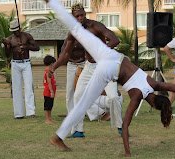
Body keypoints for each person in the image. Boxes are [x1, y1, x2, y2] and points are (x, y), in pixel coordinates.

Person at [44, 0, 175, 157]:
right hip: (108, 67)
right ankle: (58, 137)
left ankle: (51, 2)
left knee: (75, 29)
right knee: (83, 101)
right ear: (154, 106)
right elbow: (126, 126)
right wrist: (127, 152)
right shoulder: (137, 96)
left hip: (112, 56)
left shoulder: (153, 83)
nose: (80, 18)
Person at [49, 3, 123, 138]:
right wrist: (53, 67)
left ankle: (120, 126)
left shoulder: (95, 26)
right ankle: (78, 130)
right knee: (77, 97)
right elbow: (65, 54)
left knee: (112, 97)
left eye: (82, 15)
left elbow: (115, 39)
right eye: (77, 16)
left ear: (85, 14)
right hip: (89, 66)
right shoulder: (73, 32)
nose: (80, 18)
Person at [2, 20, 40, 119]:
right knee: (16, 88)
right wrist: (7, 45)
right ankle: (19, 114)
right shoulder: (10, 39)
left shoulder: (27, 36)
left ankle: (31, 112)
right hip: (15, 64)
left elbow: (37, 47)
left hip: (26, 63)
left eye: (17, 30)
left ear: (20, 28)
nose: (16, 32)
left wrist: (25, 47)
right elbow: (7, 55)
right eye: (13, 31)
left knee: (28, 87)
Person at [60, 38, 85, 115]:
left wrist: (83, 58)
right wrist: (71, 60)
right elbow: (62, 53)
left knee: (82, 88)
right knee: (70, 88)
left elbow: (89, 51)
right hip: (71, 64)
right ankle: (70, 112)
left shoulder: (84, 38)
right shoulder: (68, 40)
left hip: (83, 63)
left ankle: (82, 111)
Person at [43, 55, 57, 124]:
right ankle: (47, 119)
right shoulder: (48, 72)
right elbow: (49, 83)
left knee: (50, 106)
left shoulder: (50, 72)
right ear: (51, 63)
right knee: (47, 106)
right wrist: (51, 91)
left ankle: (50, 118)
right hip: (48, 92)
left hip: (51, 92)